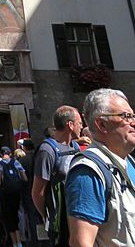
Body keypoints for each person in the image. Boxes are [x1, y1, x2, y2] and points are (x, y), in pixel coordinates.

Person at [65, 88, 135, 247]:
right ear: (102, 124)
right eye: (126, 116)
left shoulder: (134, 165)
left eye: (133, 116)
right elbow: (80, 243)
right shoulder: (88, 171)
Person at [31, 105, 82, 246]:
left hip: (77, 217)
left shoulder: (75, 147)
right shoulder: (47, 151)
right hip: (60, 224)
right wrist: (49, 216)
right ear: (70, 125)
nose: (82, 127)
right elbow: (37, 192)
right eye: (79, 123)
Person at [0, 146, 27, 247]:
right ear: (10, 154)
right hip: (17, 194)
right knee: (17, 216)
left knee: (9, 217)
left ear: (1, 154)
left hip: (6, 194)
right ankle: (20, 241)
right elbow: (24, 178)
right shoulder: (16, 162)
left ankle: (14, 242)